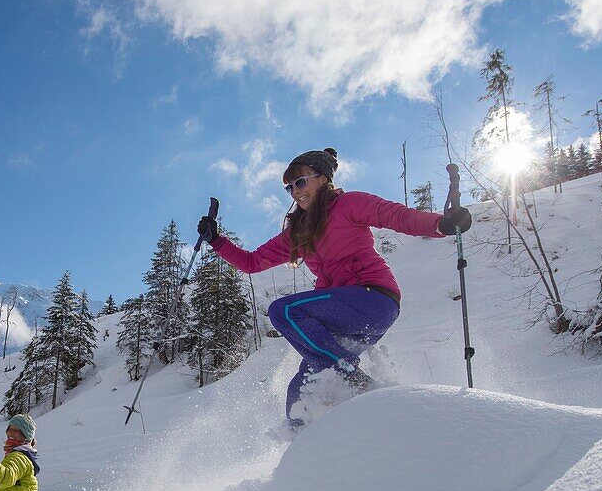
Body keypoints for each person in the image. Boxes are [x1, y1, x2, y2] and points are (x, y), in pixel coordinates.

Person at [198, 147, 471, 426]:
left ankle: (349, 374)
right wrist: (216, 240)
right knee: (299, 396)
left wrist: (441, 224)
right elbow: (252, 262)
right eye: (289, 187)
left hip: (374, 299)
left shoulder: (349, 205)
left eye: (300, 182)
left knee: (285, 311)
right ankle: (322, 451)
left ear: (323, 179)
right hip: (340, 322)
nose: (295, 191)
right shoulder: (299, 232)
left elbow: (397, 216)